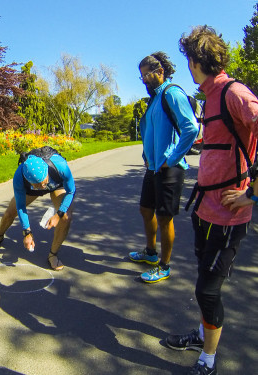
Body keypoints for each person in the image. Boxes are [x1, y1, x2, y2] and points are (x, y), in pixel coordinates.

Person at [165, 26, 258, 375]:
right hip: (205, 210)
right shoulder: (210, 96)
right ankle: (203, 336)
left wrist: (253, 194)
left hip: (228, 215)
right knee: (204, 281)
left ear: (194, 61)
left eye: (187, 60)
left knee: (207, 290)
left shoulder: (234, 92)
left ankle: (208, 361)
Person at [129, 52, 199, 283]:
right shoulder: (155, 98)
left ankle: (164, 265)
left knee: (164, 217)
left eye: (146, 75)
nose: (144, 80)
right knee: (145, 209)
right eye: (141, 77)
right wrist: (146, 154)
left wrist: (172, 157)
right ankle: (150, 253)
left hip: (170, 168)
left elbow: (191, 127)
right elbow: (151, 131)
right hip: (154, 168)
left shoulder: (172, 93)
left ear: (160, 72)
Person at [0, 148, 76, 271]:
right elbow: (20, 206)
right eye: (37, 185)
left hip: (57, 185)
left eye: (43, 183)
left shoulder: (60, 166)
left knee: (66, 217)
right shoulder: (19, 176)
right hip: (31, 188)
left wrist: (58, 214)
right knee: (10, 212)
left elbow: (71, 191)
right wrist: (27, 232)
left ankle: (53, 255)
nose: (42, 187)